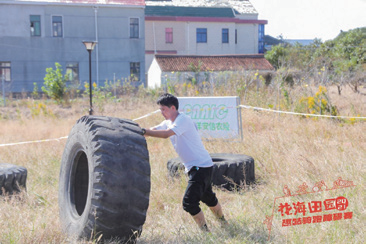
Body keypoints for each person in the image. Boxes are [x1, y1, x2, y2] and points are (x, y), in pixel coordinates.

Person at [142, 93, 227, 232]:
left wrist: (145, 131)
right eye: (160, 109)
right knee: (208, 198)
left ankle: (206, 233)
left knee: (189, 203)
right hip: (199, 166)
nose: (161, 112)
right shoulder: (168, 121)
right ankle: (224, 224)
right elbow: (154, 130)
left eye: (163, 109)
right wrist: (137, 131)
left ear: (173, 107)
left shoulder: (183, 120)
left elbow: (165, 134)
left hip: (200, 166)